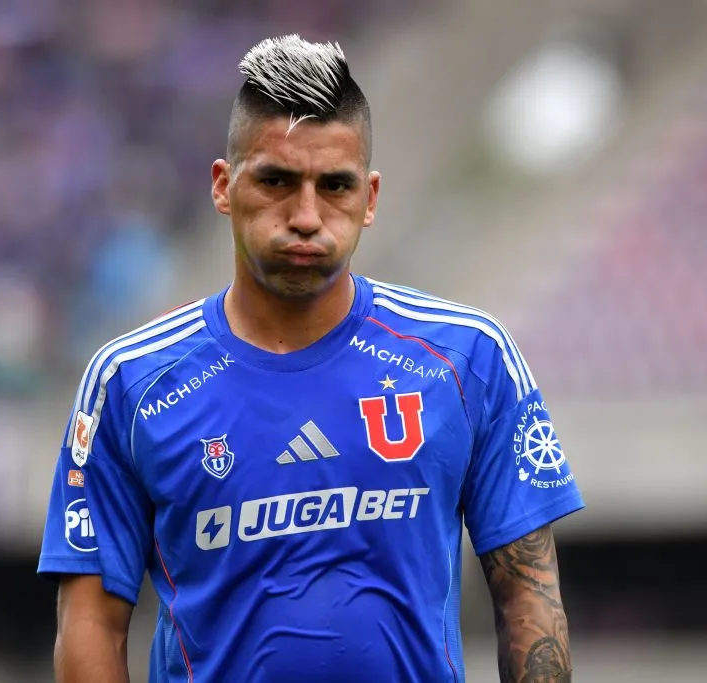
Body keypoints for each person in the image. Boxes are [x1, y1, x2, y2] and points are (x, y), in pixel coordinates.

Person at [37, 34, 584, 683]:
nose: (305, 215)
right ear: (223, 185)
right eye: (276, 180)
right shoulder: (131, 383)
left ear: (371, 197)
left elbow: (528, 596)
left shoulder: (469, 358)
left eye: (335, 186)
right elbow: (90, 624)